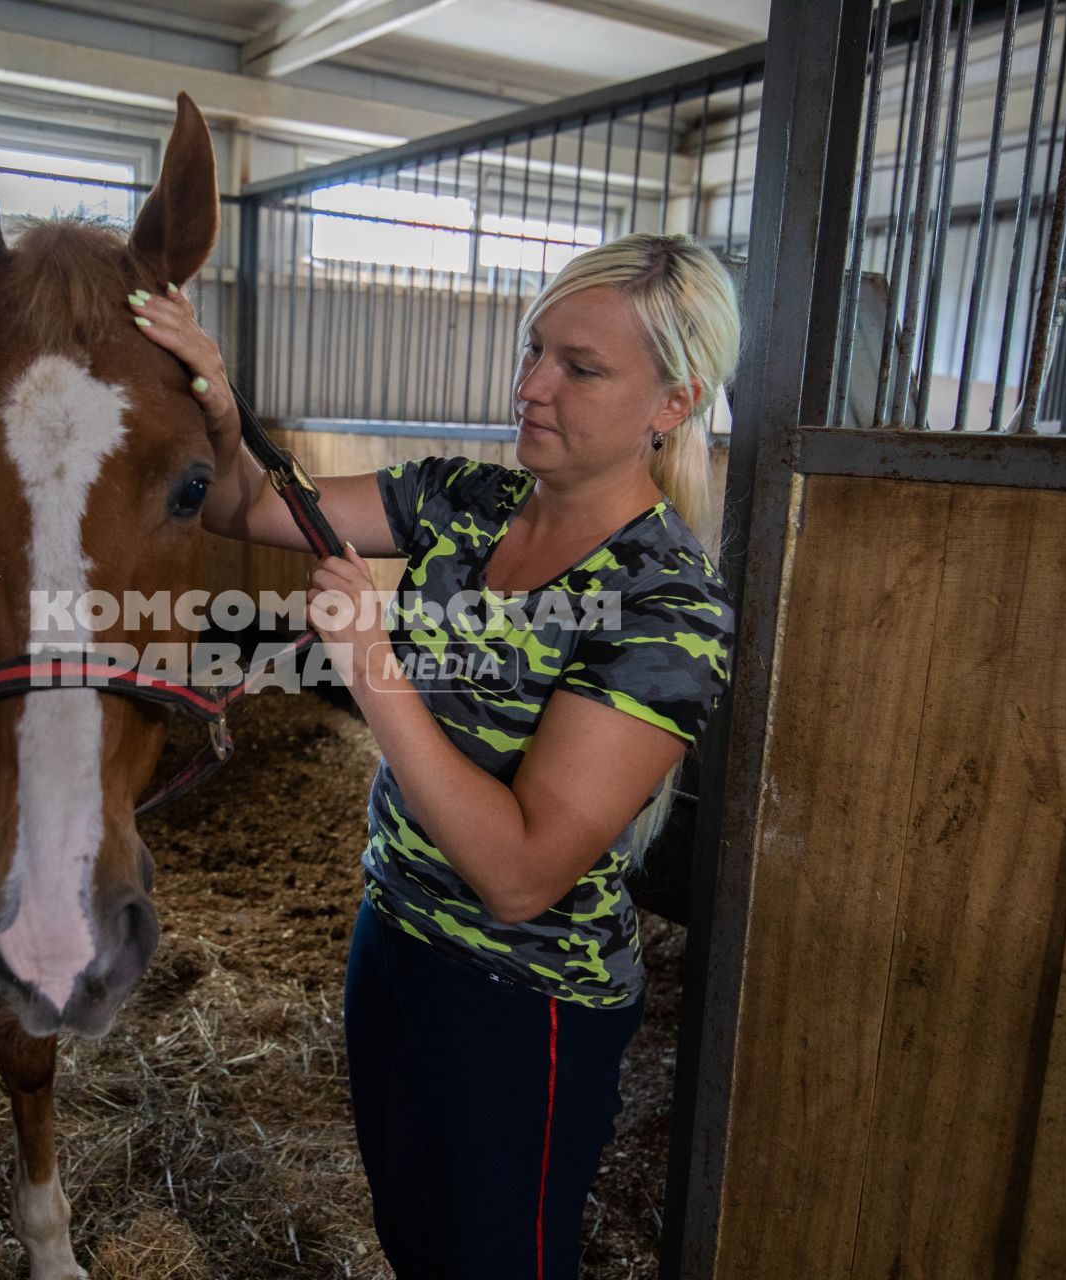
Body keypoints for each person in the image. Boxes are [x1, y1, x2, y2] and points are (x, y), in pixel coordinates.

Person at [131, 231, 740, 1278]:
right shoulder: (466, 499)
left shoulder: (665, 603)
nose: (532, 385)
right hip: (394, 937)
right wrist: (219, 399)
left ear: (672, 404)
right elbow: (244, 503)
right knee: (413, 1234)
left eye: (581, 367)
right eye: (534, 348)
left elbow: (519, 872)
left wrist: (371, 664)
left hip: (524, 997)